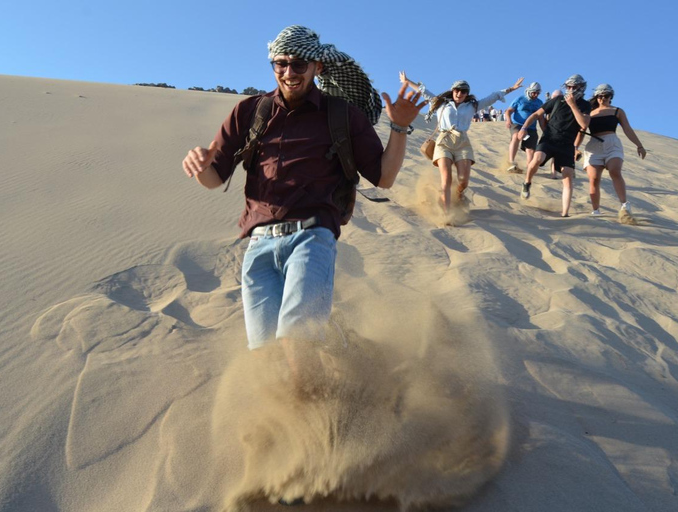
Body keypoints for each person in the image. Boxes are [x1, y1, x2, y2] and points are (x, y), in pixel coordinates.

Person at [182, 26, 426, 381]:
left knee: (297, 342)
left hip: (312, 238)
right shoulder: (250, 111)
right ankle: (344, 349)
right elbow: (214, 178)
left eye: (298, 64)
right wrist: (200, 166)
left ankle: (321, 427)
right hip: (258, 246)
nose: (288, 73)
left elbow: (384, 177)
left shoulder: (342, 114)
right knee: (266, 357)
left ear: (317, 67)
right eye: (280, 64)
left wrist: (400, 127)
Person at [400, 72, 523, 212]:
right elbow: (423, 91)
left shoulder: (473, 106)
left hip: (462, 142)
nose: (459, 93)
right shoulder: (441, 103)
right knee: (446, 179)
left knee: (463, 180)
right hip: (444, 141)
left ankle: (458, 194)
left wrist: (511, 89)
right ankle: (446, 213)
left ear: (467, 93)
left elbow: (493, 97)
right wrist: (406, 81)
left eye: (463, 91)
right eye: (457, 90)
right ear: (453, 91)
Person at [518, 74, 592, 217]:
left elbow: (583, 124)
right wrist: (524, 128)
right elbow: (536, 114)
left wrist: (572, 105)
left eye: (574, 87)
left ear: (581, 88)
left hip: (567, 145)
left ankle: (565, 213)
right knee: (537, 159)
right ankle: (527, 183)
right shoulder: (557, 100)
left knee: (567, 177)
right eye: (569, 87)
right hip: (549, 139)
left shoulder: (585, 105)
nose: (571, 90)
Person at [578, 83, 646, 217]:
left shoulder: (617, 111)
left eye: (605, 96)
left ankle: (624, 205)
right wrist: (575, 147)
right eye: (599, 96)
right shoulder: (589, 112)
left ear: (611, 96)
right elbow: (581, 130)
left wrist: (639, 145)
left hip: (612, 144)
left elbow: (627, 128)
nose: (602, 98)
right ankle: (596, 210)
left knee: (615, 171)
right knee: (594, 179)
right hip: (594, 146)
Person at [506, 82, 545, 173]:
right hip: (518, 124)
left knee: (531, 150)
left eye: (537, 93)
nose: (535, 95)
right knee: (516, 136)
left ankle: (529, 169)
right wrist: (508, 120)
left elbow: (541, 119)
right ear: (529, 91)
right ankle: (511, 162)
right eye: (534, 92)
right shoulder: (520, 99)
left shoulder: (539, 103)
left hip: (531, 128)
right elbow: (508, 111)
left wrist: (545, 131)